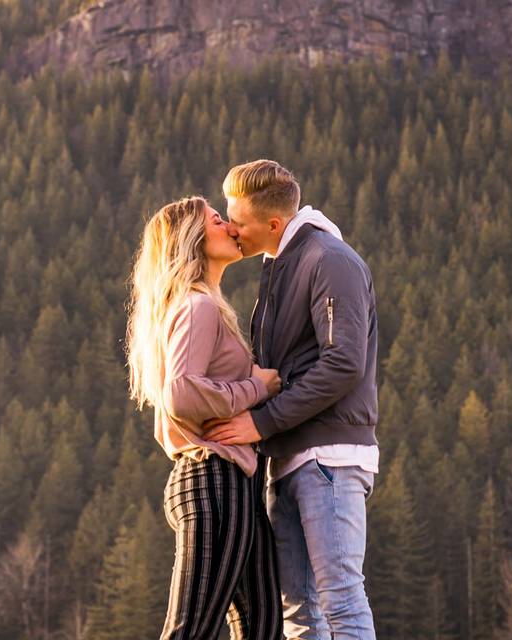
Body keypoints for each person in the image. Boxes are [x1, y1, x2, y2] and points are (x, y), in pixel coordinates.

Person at [205, 160, 379, 639]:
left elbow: (344, 363)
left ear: (274, 224)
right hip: (289, 458)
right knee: (300, 612)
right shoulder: (281, 266)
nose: (231, 229)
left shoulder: (329, 260)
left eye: (237, 221)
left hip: (328, 459)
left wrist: (262, 424)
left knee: (340, 599)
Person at [126, 196, 284, 640]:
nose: (231, 227)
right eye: (218, 221)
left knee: (264, 629)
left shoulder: (201, 305)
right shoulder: (199, 307)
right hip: (215, 480)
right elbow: (181, 393)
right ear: (193, 240)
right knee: (191, 630)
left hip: (234, 485)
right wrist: (258, 387)